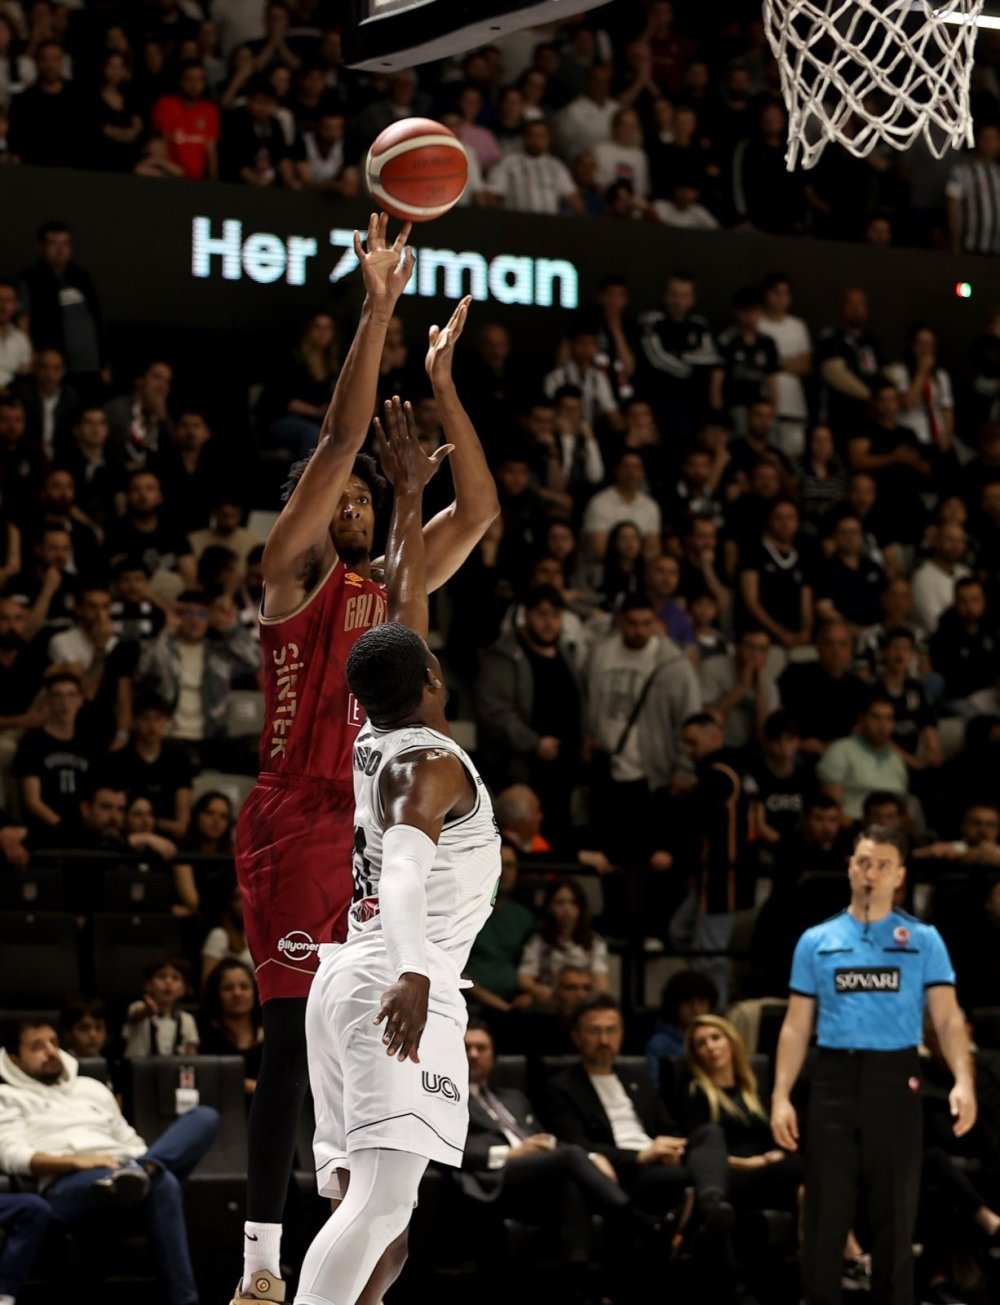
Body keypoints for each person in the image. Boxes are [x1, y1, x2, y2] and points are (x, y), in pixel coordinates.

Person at [232, 216, 497, 1305]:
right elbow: (340, 440)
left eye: (358, 498)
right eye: (326, 490)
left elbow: (474, 508)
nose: (341, 498)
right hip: (300, 818)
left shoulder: (394, 601)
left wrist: (442, 386)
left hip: (369, 835)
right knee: (291, 1030)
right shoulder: (289, 576)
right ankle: (259, 1263)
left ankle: (345, 1271)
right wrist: (379, 308)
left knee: (385, 1175)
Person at [293, 398, 500, 1305]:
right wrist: (418, 975)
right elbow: (411, 868)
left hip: (351, 972)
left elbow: (405, 602)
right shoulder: (428, 761)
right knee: (377, 1208)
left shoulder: (376, 736)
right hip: (398, 975)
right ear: (432, 677)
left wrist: (411, 499)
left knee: (383, 1228)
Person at [771, 826, 976, 1305]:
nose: (871, 873)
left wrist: (963, 1080)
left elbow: (947, 1019)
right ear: (849, 865)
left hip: (896, 1079)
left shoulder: (923, 940)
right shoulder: (816, 941)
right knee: (825, 1217)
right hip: (833, 1083)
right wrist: (781, 1095)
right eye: (864, 862)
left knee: (895, 1220)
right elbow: (796, 1027)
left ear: (899, 875)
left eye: (883, 864)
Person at [0, 1016, 218, 1305]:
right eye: (37, 1047)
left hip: (121, 1168)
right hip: (68, 1187)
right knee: (163, 1183)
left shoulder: (91, 1087)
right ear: (14, 1059)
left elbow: (131, 1141)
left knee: (205, 1117)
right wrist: (79, 1162)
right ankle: (185, 1301)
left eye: (53, 1043)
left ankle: (141, 1173)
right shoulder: (8, 1096)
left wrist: (135, 1163)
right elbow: (12, 1156)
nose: (51, 1052)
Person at [459, 1019, 628, 1293]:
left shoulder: (513, 1097)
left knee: (572, 1183)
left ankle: (577, 1278)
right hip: (494, 1176)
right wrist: (511, 1153)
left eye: (482, 1048)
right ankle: (629, 1214)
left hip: (534, 1174)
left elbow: (545, 1139)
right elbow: (448, 1147)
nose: (474, 1054)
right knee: (571, 1156)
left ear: (494, 1055)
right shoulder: (444, 1098)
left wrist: (592, 1156)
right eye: (466, 1047)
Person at [817, 694, 909, 823]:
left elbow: (903, 813)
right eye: (875, 717)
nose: (882, 725)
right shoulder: (840, 751)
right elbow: (832, 812)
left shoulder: (897, 760)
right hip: (852, 832)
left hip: (892, 836)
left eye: (888, 719)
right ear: (861, 719)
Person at [516, 878, 609, 1004]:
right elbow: (524, 977)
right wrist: (535, 989)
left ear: (581, 907)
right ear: (549, 907)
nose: (567, 909)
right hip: (550, 999)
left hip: (581, 999)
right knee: (523, 1002)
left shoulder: (594, 941)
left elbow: (601, 983)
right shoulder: (539, 940)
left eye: (573, 903)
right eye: (560, 903)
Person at [199, 959, 263, 1097]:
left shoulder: (271, 1033)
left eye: (244, 987)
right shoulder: (203, 1033)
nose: (237, 993)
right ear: (216, 993)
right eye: (228, 988)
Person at [645, 969, 719, 1085]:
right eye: (688, 1003)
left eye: (701, 1002)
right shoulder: (660, 1044)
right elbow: (655, 1088)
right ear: (674, 1006)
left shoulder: (719, 1039)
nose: (696, 1009)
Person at [122, 953, 199, 1059]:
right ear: (148, 985)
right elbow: (136, 1016)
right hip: (138, 1073)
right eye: (161, 977)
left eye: (175, 978)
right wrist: (148, 1010)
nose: (168, 982)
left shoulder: (187, 1020)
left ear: (184, 988)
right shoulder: (137, 1008)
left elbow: (192, 1057)